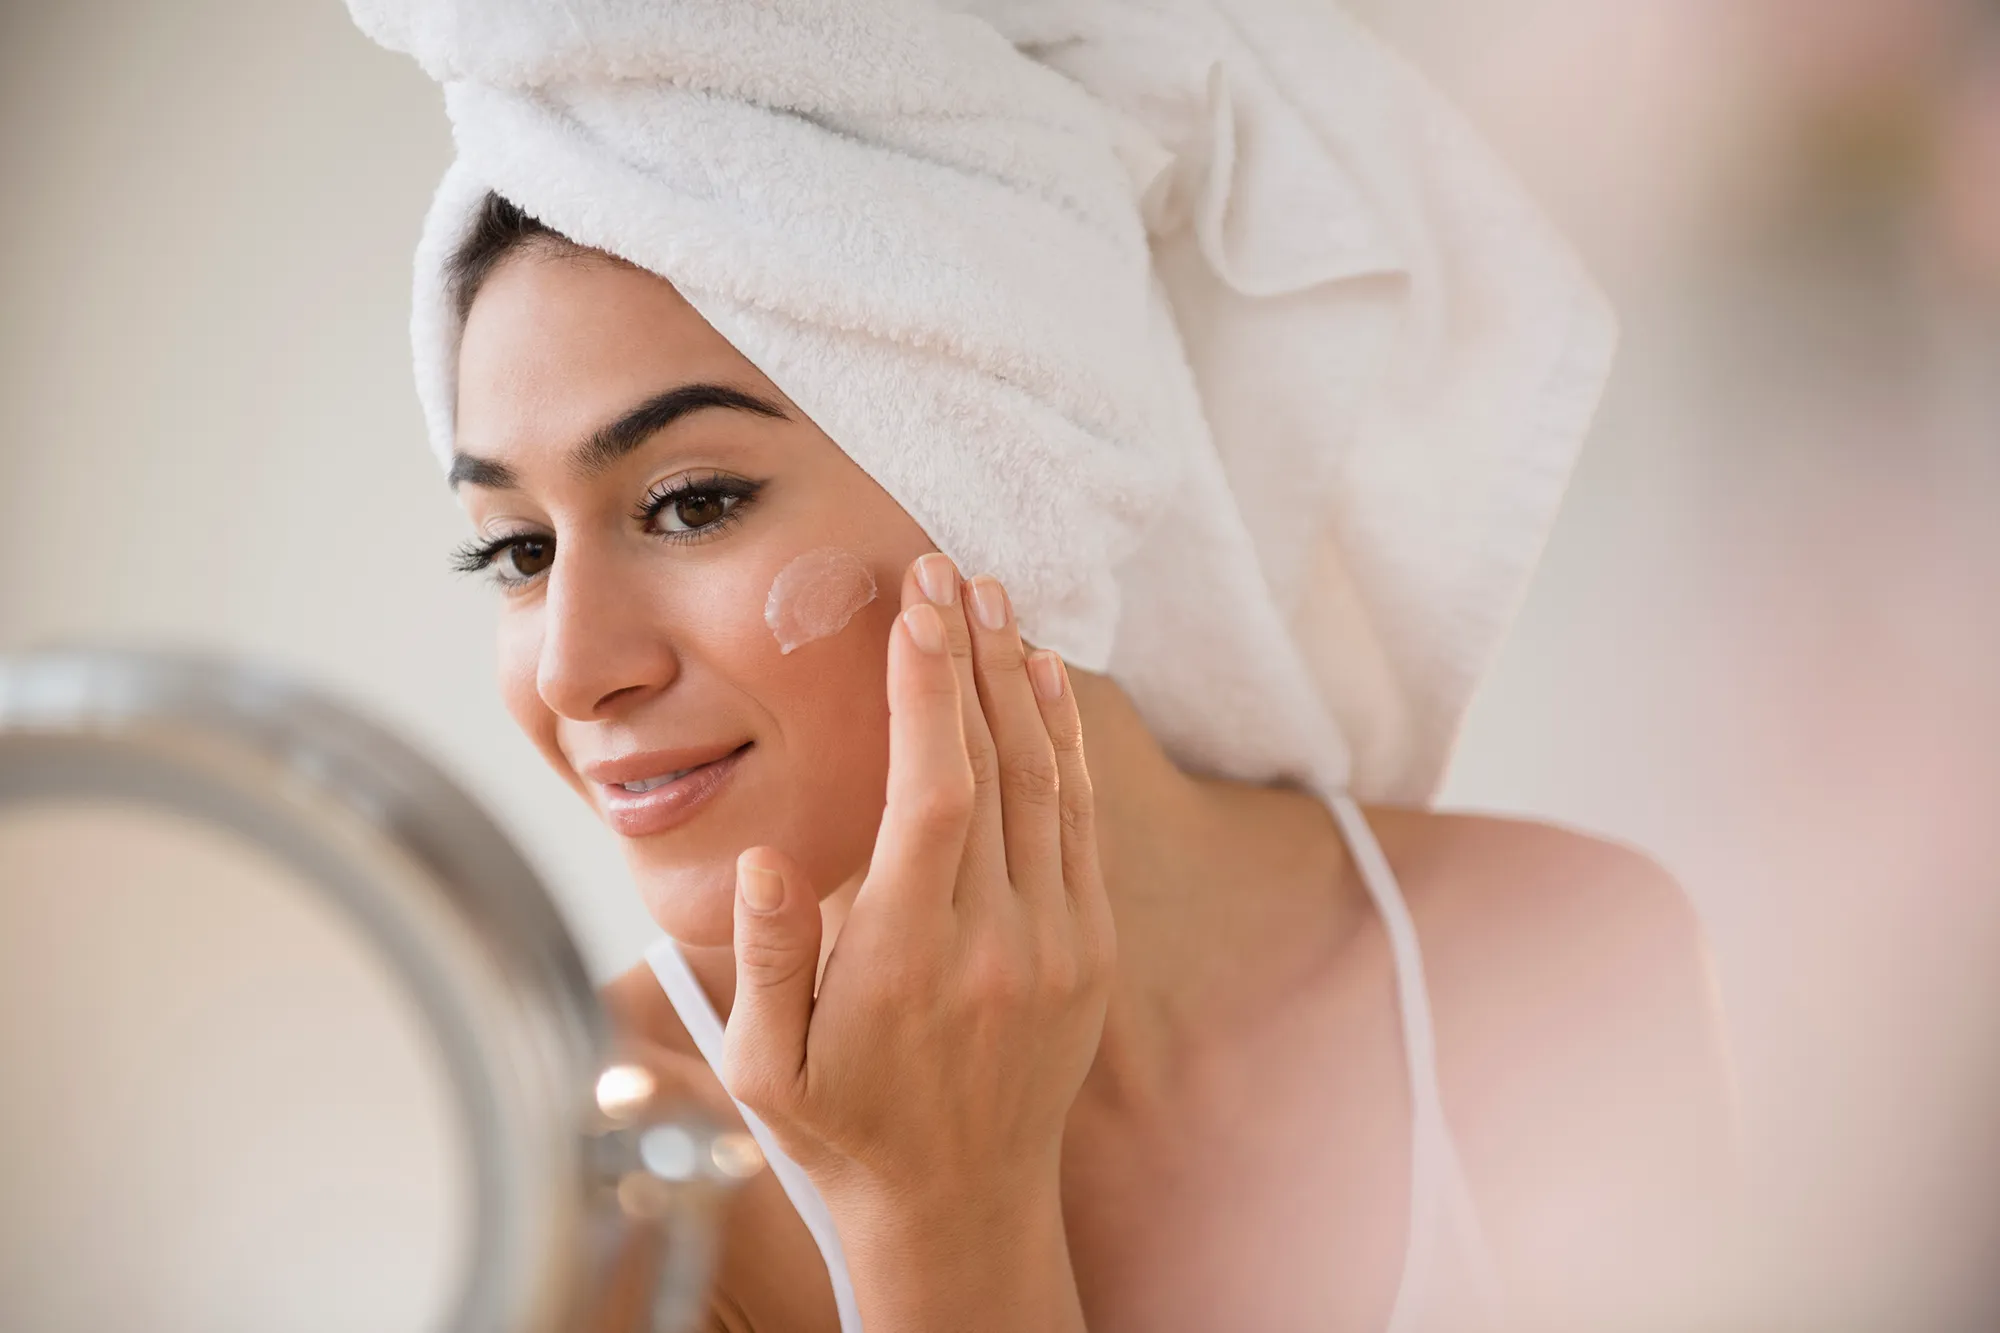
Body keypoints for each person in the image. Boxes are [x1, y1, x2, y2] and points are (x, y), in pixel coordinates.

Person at [352, 3, 1739, 1329]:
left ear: (1012, 482)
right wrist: (935, 1216)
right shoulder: (593, 1174)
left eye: (693, 502)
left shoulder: (1556, 965)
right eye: (518, 552)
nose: (577, 670)